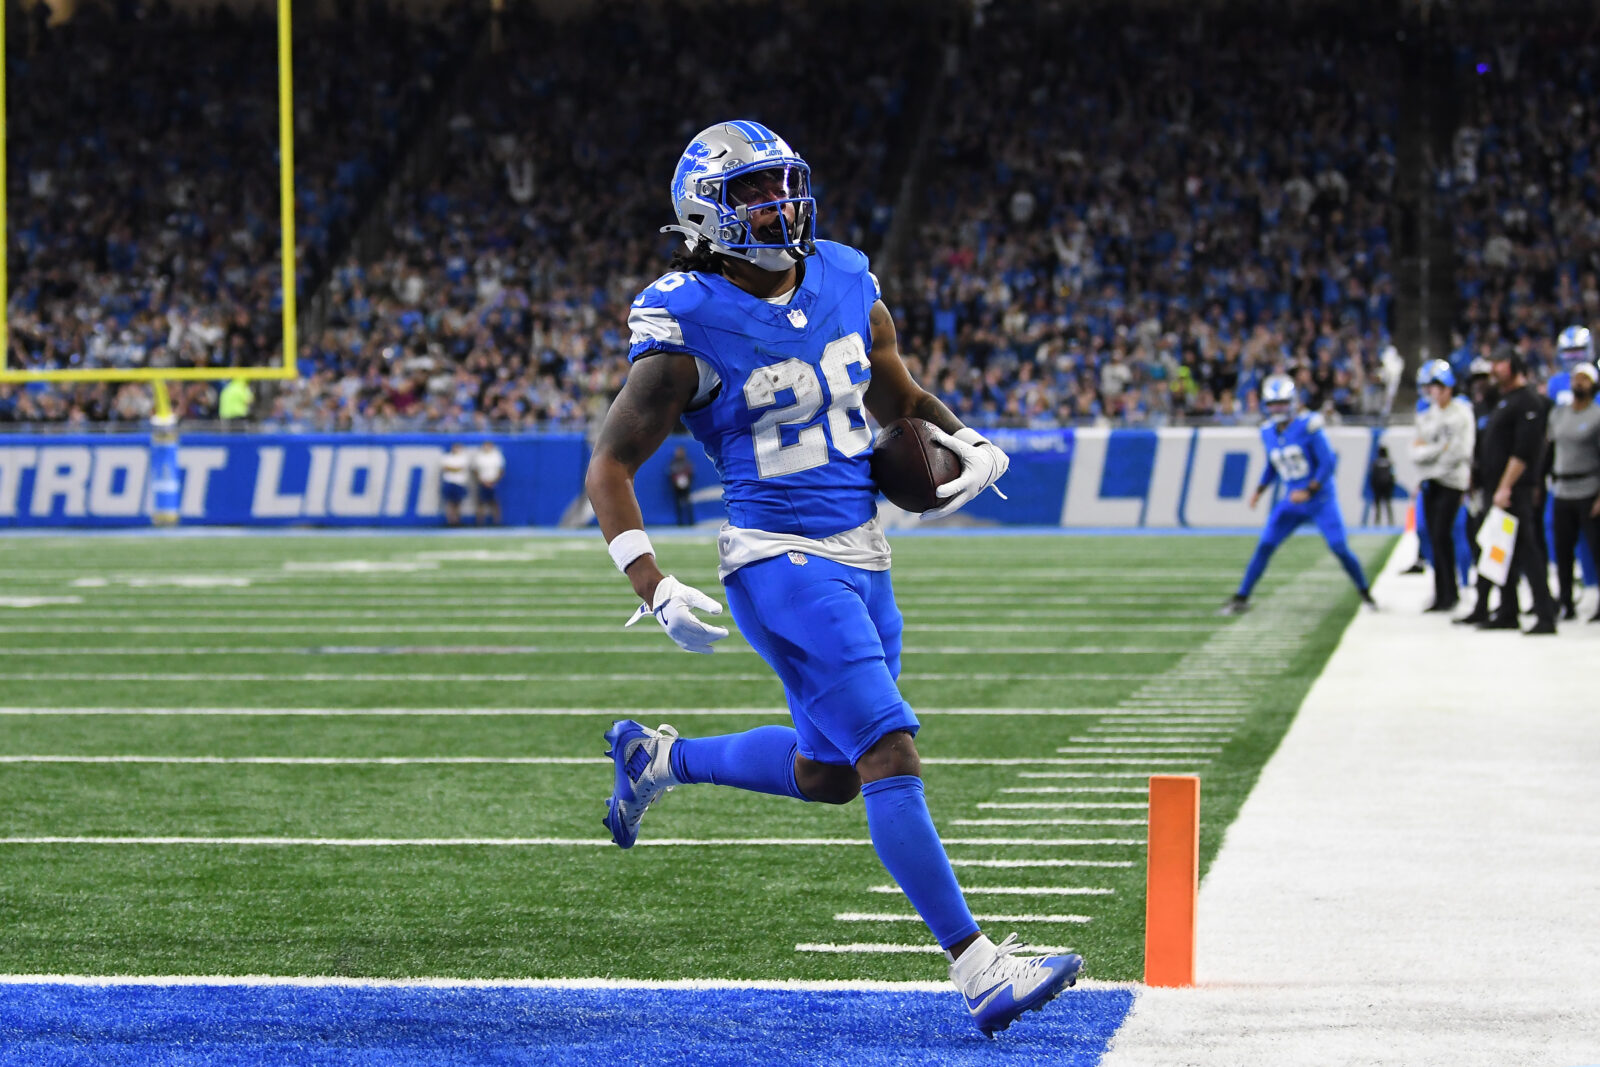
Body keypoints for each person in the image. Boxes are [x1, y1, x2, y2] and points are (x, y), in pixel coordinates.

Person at [584, 120, 1081, 1037]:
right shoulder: (686, 319)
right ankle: (979, 968)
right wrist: (650, 582)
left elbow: (890, 387)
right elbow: (610, 465)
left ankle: (659, 759)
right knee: (889, 751)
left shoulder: (848, 276)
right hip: (778, 559)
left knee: (829, 775)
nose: (778, 206)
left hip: (863, 548)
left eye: (783, 185)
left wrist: (962, 434)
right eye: (751, 195)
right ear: (705, 213)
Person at [1219, 374, 1376, 615]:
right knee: (1265, 545)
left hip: (1320, 500)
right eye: (1274, 404)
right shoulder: (1267, 432)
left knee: (1339, 547)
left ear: (1292, 402)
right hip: (1292, 500)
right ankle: (1242, 596)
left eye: (1282, 403)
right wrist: (1259, 490)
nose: (1278, 408)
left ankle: (1365, 593)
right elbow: (1273, 464)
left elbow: (1328, 463)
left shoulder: (1308, 426)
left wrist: (1309, 490)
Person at [1477, 348, 1558, 634]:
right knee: (1500, 551)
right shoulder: (1504, 400)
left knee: (1527, 550)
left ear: (1514, 366)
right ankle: (1508, 609)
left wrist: (1505, 486)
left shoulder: (1528, 402)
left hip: (1513, 490)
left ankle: (1545, 614)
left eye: (1499, 363)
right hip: (1498, 488)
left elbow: (1524, 451)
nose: (1495, 369)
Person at [1411, 360, 1474, 612]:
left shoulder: (1461, 412)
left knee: (1443, 535)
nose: (1434, 391)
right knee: (1434, 538)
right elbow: (1415, 450)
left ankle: (1452, 591)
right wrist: (1436, 452)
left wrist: (1431, 458)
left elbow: (1460, 451)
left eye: (1438, 386)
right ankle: (1441, 593)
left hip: (1452, 481)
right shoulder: (1428, 413)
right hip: (1431, 482)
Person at [1547, 362, 1600, 621]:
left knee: (1596, 550)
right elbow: (1549, 449)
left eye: (1584, 379)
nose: (1578, 383)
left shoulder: (1597, 415)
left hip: (1589, 489)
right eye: (1575, 379)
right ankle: (1566, 601)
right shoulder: (1558, 414)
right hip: (1562, 489)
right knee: (1563, 551)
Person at [1457, 358, 1503, 624]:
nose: (1480, 384)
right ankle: (1483, 603)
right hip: (1479, 486)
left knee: (1497, 545)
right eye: (1476, 379)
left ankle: (1502, 603)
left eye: (1484, 378)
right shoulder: (1473, 410)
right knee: (1479, 543)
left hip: (1498, 487)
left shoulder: (1499, 407)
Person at [473, 440, 505, 526]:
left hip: (493, 483)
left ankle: (497, 522)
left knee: (495, 502)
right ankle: (479, 523)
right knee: (481, 503)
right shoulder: (479, 456)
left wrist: (494, 481)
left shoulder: (496, 455)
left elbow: (501, 470)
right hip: (482, 482)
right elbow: (475, 470)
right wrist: (482, 481)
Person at [440, 442, 470, 527]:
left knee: (458, 502)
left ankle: (457, 521)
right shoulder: (447, 457)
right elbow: (445, 467)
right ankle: (450, 521)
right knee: (449, 502)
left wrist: (452, 468)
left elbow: (460, 468)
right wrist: (455, 468)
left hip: (459, 482)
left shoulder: (463, 458)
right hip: (449, 482)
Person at [1368, 444, 1397, 526]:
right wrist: (1391, 486)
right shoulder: (1389, 463)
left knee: (1378, 505)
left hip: (1378, 487)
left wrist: (1373, 486)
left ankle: (1377, 521)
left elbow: (1373, 476)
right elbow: (1393, 476)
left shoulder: (1376, 463)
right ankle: (1390, 521)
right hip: (1387, 486)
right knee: (1388, 504)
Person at [668, 445, 695, 526]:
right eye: (678, 452)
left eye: (681, 452)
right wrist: (675, 482)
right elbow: (671, 473)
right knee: (678, 504)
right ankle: (680, 522)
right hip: (676, 487)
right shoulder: (673, 462)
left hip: (686, 487)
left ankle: (690, 521)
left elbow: (691, 473)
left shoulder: (687, 462)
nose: (679, 454)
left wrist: (687, 481)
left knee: (688, 503)